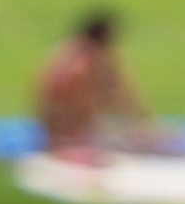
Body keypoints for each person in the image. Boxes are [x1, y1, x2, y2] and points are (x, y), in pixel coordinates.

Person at [35, 9, 151, 151]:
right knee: (142, 139)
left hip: (62, 129)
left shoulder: (69, 51)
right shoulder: (83, 63)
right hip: (70, 132)